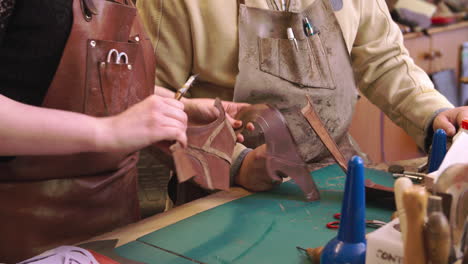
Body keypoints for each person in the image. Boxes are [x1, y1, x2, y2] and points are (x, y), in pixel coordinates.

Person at [0, 0, 251, 262]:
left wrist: (179, 107)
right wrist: (107, 130)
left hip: (117, 232)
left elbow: (96, 80)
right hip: (22, 238)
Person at [137, 0, 468, 192]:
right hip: (222, 190)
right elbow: (149, 104)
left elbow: (384, 60)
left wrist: (432, 114)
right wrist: (237, 164)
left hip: (336, 175)